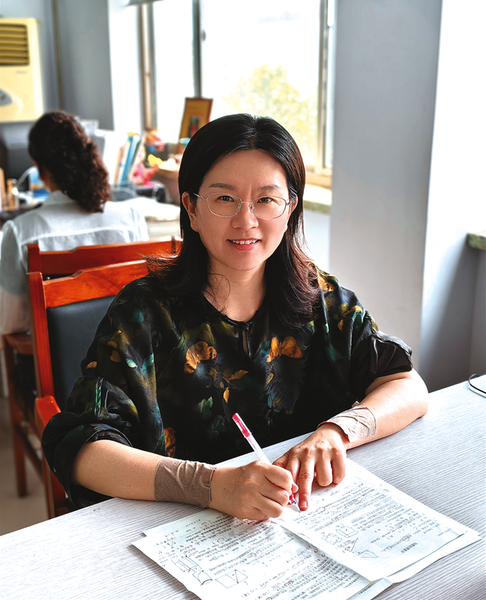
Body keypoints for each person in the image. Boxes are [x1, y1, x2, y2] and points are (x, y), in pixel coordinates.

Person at [42, 114, 428, 520]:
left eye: (266, 199)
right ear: (192, 208)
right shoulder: (144, 312)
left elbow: (406, 385)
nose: (246, 220)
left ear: (290, 209)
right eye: (225, 199)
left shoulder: (320, 298)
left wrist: (338, 431)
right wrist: (209, 486)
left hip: (300, 517)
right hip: (178, 527)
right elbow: (82, 450)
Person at [0, 111, 149, 340]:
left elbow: (11, 324)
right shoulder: (131, 219)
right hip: (126, 355)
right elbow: (143, 302)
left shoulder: (20, 232)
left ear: (40, 170)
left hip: (59, 360)